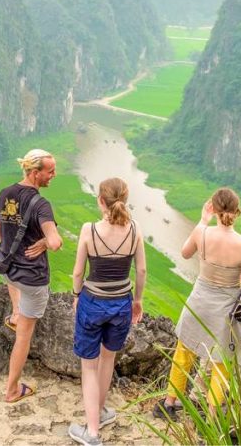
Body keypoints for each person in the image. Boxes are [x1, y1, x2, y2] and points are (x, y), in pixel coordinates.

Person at [155, 188, 241, 420]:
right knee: (221, 362)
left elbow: (185, 254)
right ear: (236, 211)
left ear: (214, 208)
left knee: (184, 352)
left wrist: (202, 220)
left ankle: (169, 403)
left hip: (199, 302)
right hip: (225, 309)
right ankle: (211, 418)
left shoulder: (202, 232)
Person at [68, 178, 147, 446]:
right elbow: (142, 271)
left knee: (88, 366)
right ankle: (100, 413)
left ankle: (91, 432)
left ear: (101, 201)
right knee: (108, 359)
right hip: (122, 302)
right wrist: (137, 300)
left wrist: (76, 296)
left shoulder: (89, 230)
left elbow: (78, 271)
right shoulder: (135, 229)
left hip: (93, 301)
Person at [0, 148, 63, 403]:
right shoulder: (41, 205)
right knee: (23, 337)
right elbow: (55, 243)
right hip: (32, 278)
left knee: (14, 286)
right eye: (50, 171)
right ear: (35, 173)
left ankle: (15, 312)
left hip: (9, 271)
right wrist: (45, 241)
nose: (54, 175)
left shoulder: (5, 193)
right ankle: (12, 389)